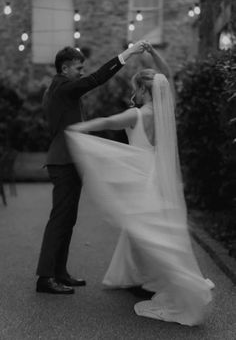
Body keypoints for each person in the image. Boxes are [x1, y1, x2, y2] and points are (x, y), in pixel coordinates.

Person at [65, 43, 213, 325]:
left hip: (142, 178)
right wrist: (154, 55)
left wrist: (80, 127)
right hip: (159, 175)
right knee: (147, 230)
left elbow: (108, 121)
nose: (134, 94)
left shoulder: (138, 114)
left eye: (137, 89)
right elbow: (166, 74)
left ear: (145, 91)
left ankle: (163, 280)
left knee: (146, 232)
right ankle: (136, 277)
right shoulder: (164, 111)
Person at [36, 41, 146, 295]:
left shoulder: (59, 89)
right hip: (64, 161)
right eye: (79, 68)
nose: (82, 72)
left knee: (67, 219)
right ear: (65, 68)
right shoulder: (63, 87)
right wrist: (127, 53)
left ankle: (59, 273)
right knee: (59, 220)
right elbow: (96, 79)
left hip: (69, 159)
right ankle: (45, 277)